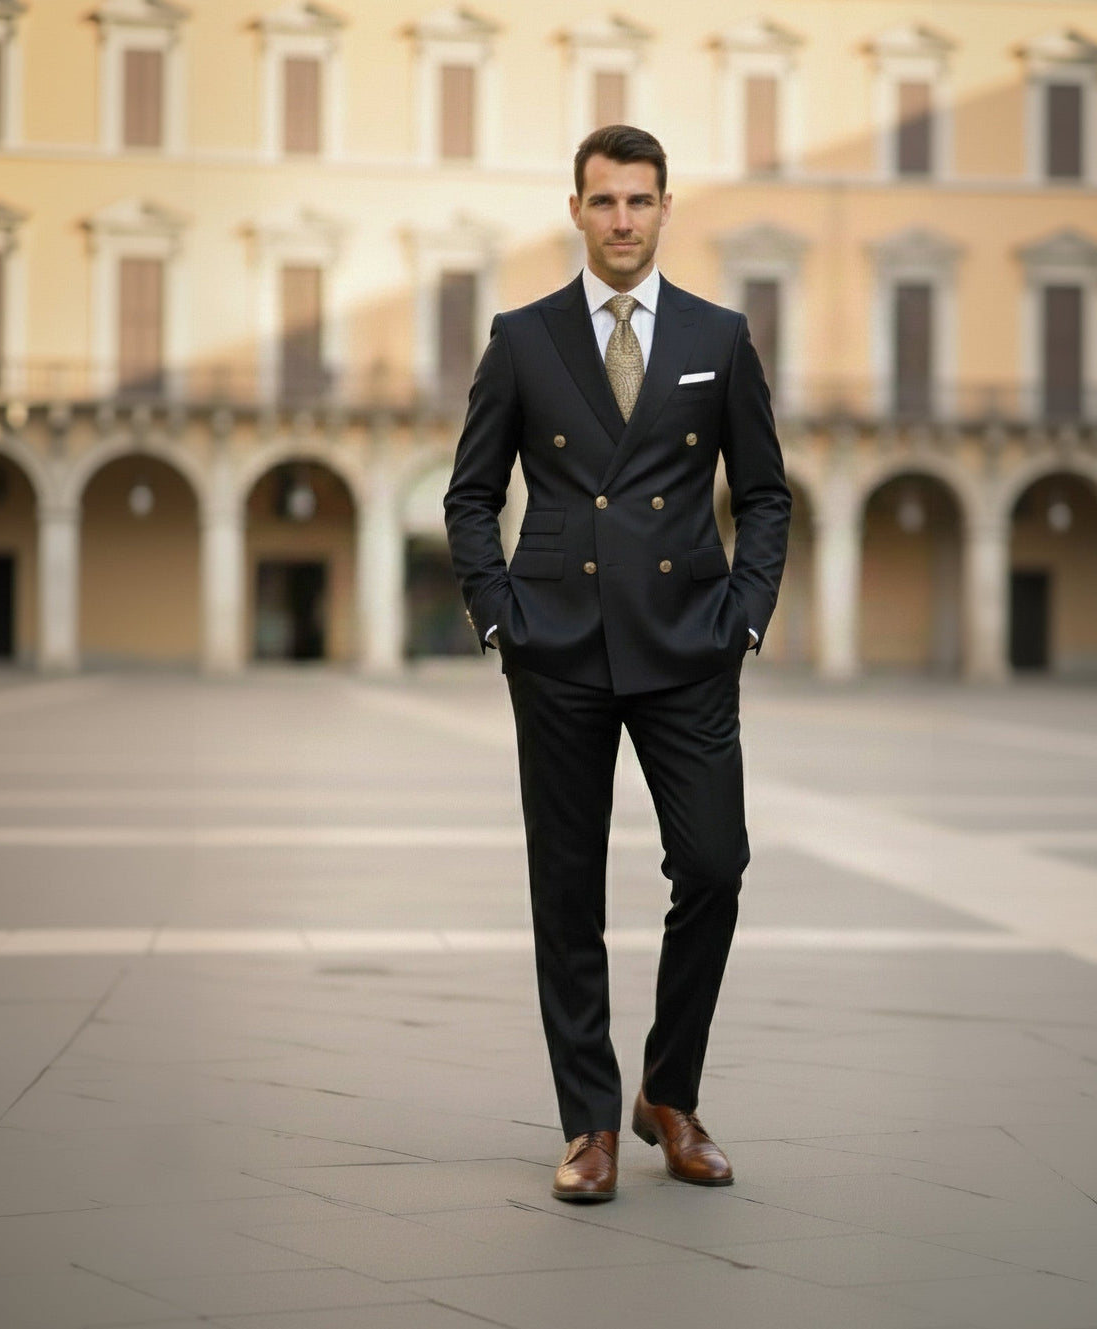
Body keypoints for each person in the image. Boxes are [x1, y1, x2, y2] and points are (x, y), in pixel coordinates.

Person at [443, 125, 791, 1202]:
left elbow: (765, 494)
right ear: (576, 211)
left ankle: (668, 1095)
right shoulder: (523, 337)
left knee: (715, 866)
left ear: (665, 209)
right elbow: (469, 495)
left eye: (640, 201)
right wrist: (500, 618)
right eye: (604, 202)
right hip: (558, 646)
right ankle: (588, 1124)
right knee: (565, 889)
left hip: (688, 643)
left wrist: (741, 617)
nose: (623, 220)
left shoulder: (717, 336)